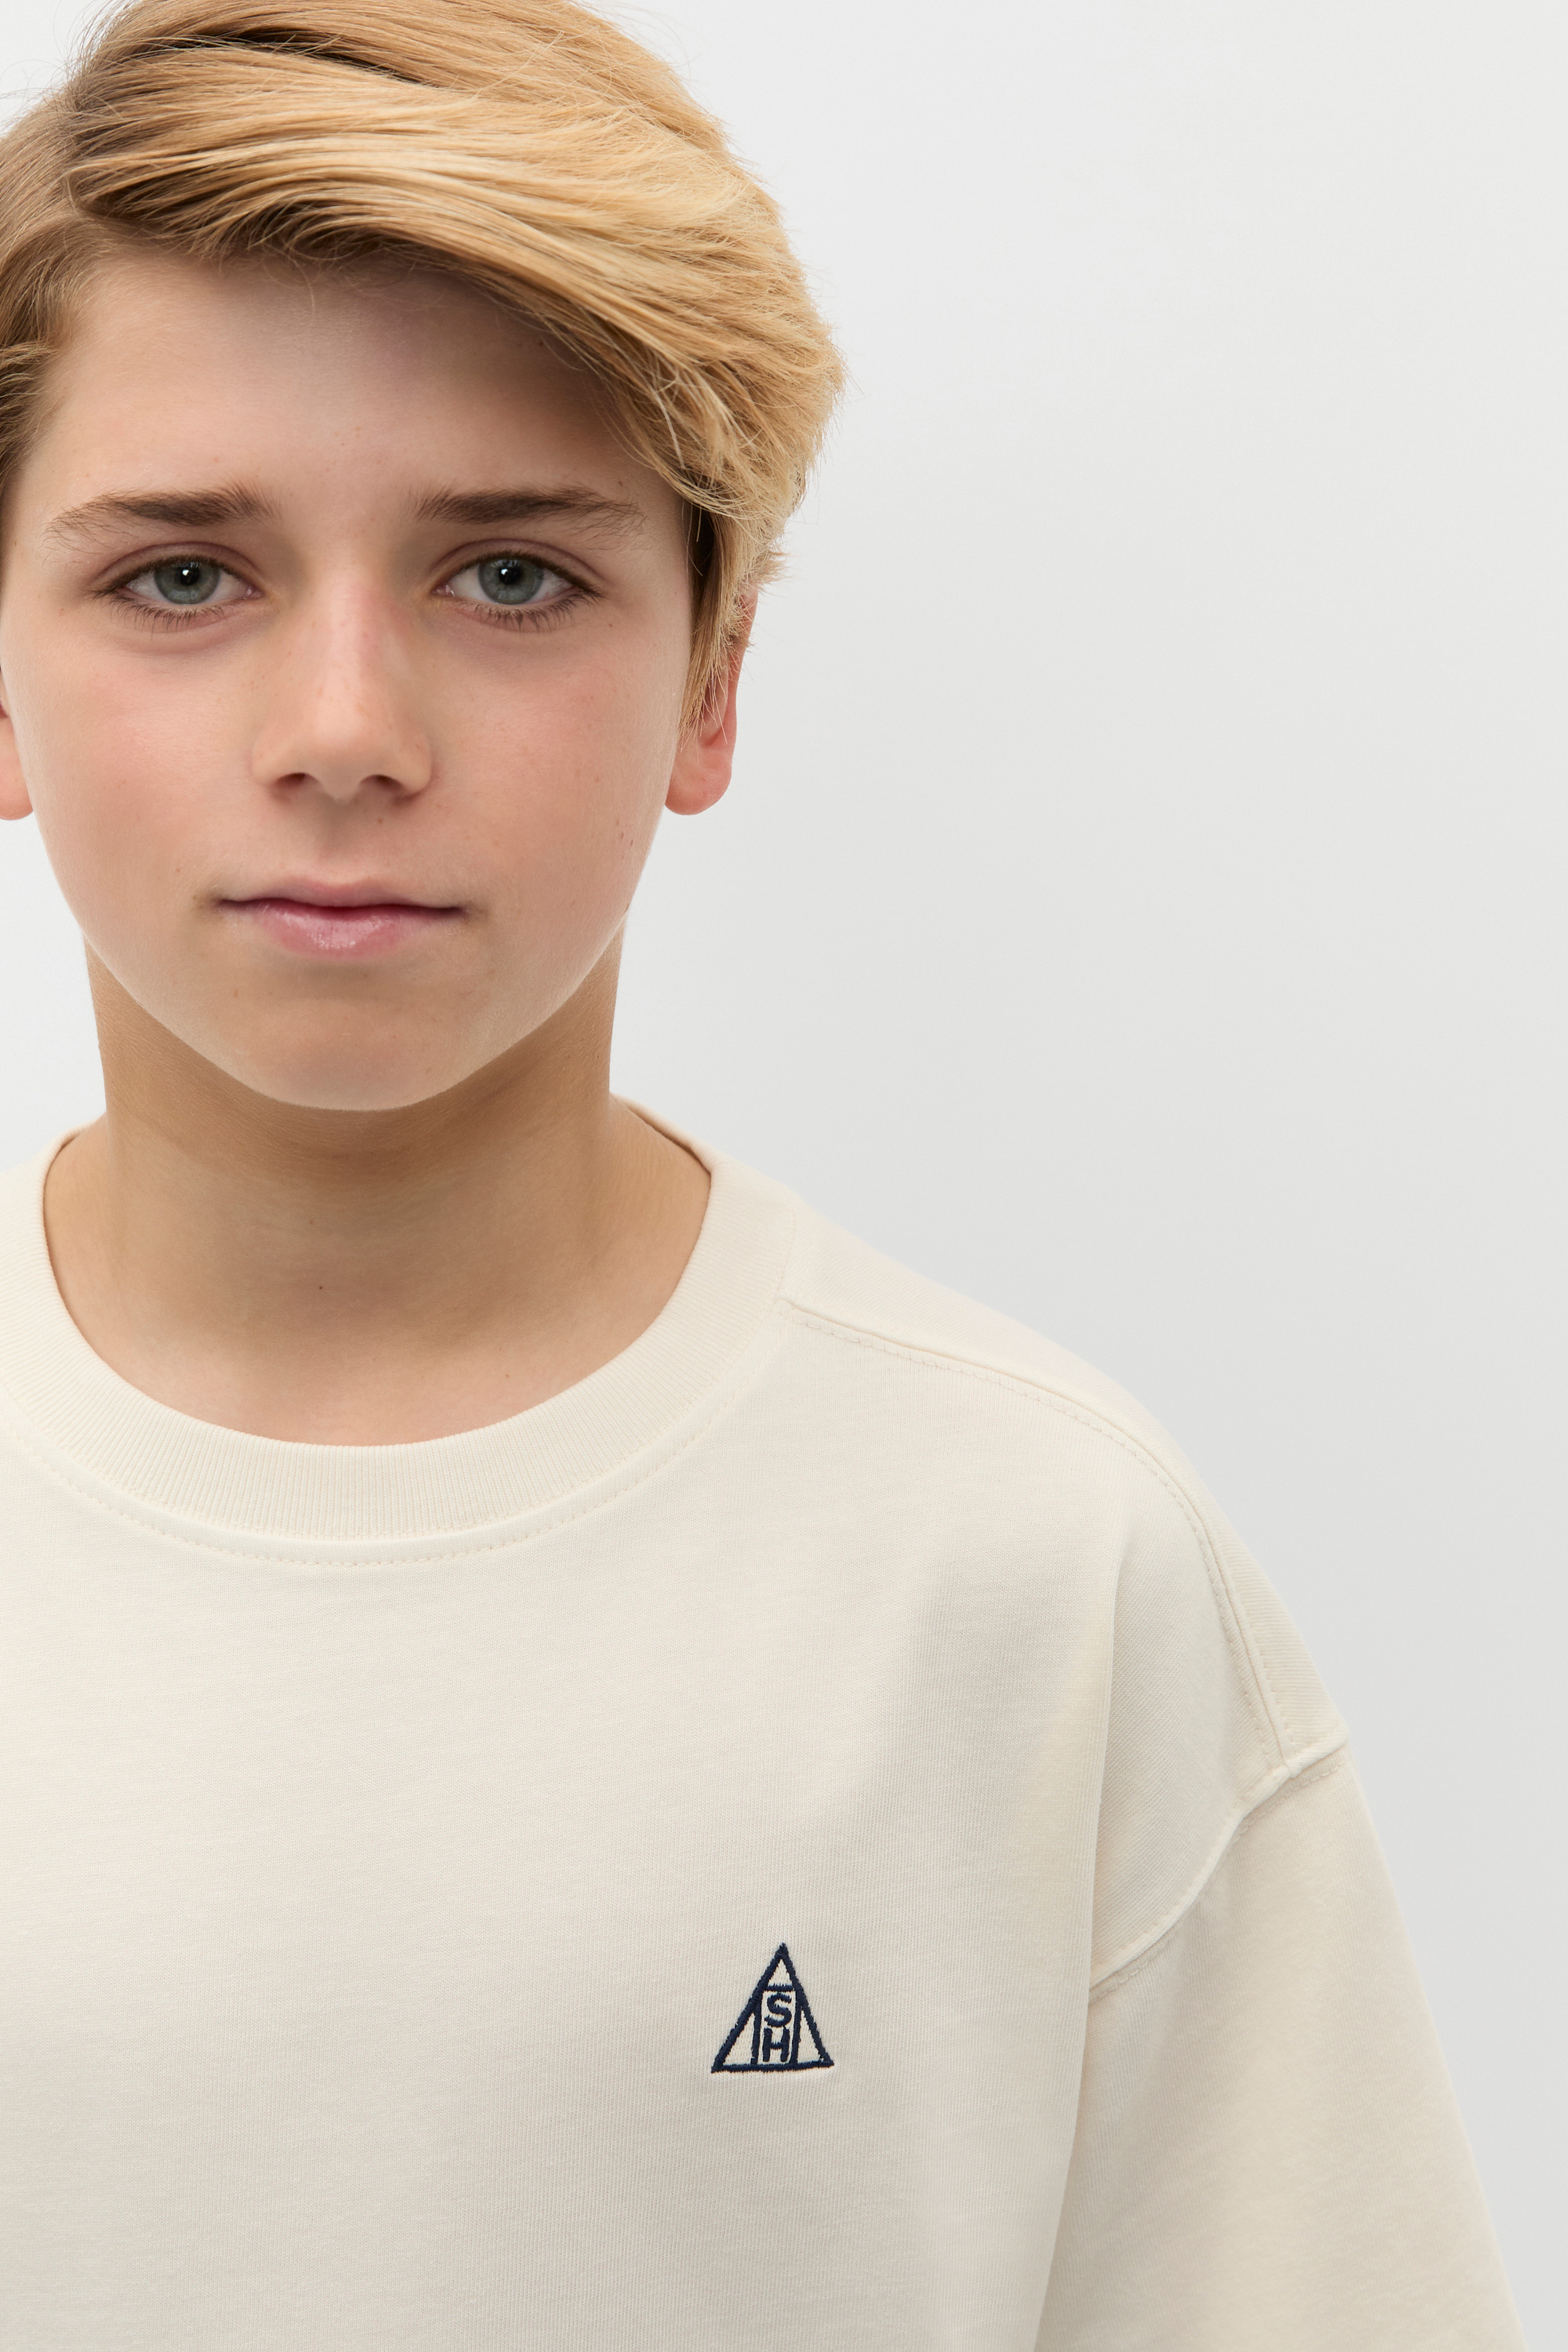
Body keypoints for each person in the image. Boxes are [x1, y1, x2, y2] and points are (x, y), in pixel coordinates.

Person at [0, 2, 1524, 2345]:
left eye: (511, 577)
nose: (345, 734)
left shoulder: (1027, 1568)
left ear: (714, 674)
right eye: (186, 577)